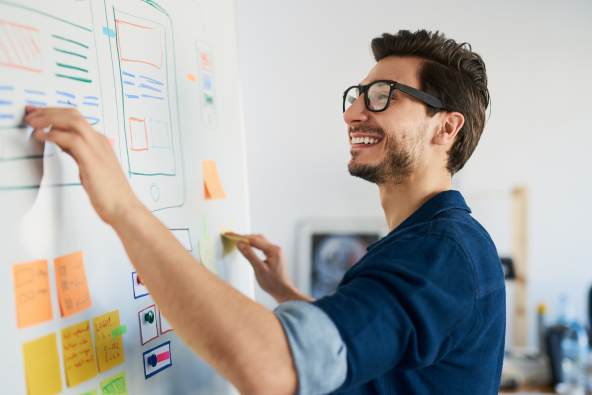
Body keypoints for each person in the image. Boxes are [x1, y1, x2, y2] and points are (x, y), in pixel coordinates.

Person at [24, 29, 505, 395]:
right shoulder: (434, 243)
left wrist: (121, 206)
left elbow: (274, 368)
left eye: (383, 95)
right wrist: (286, 294)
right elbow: (366, 355)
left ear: (446, 128)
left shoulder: (441, 253)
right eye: (356, 96)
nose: (353, 113)